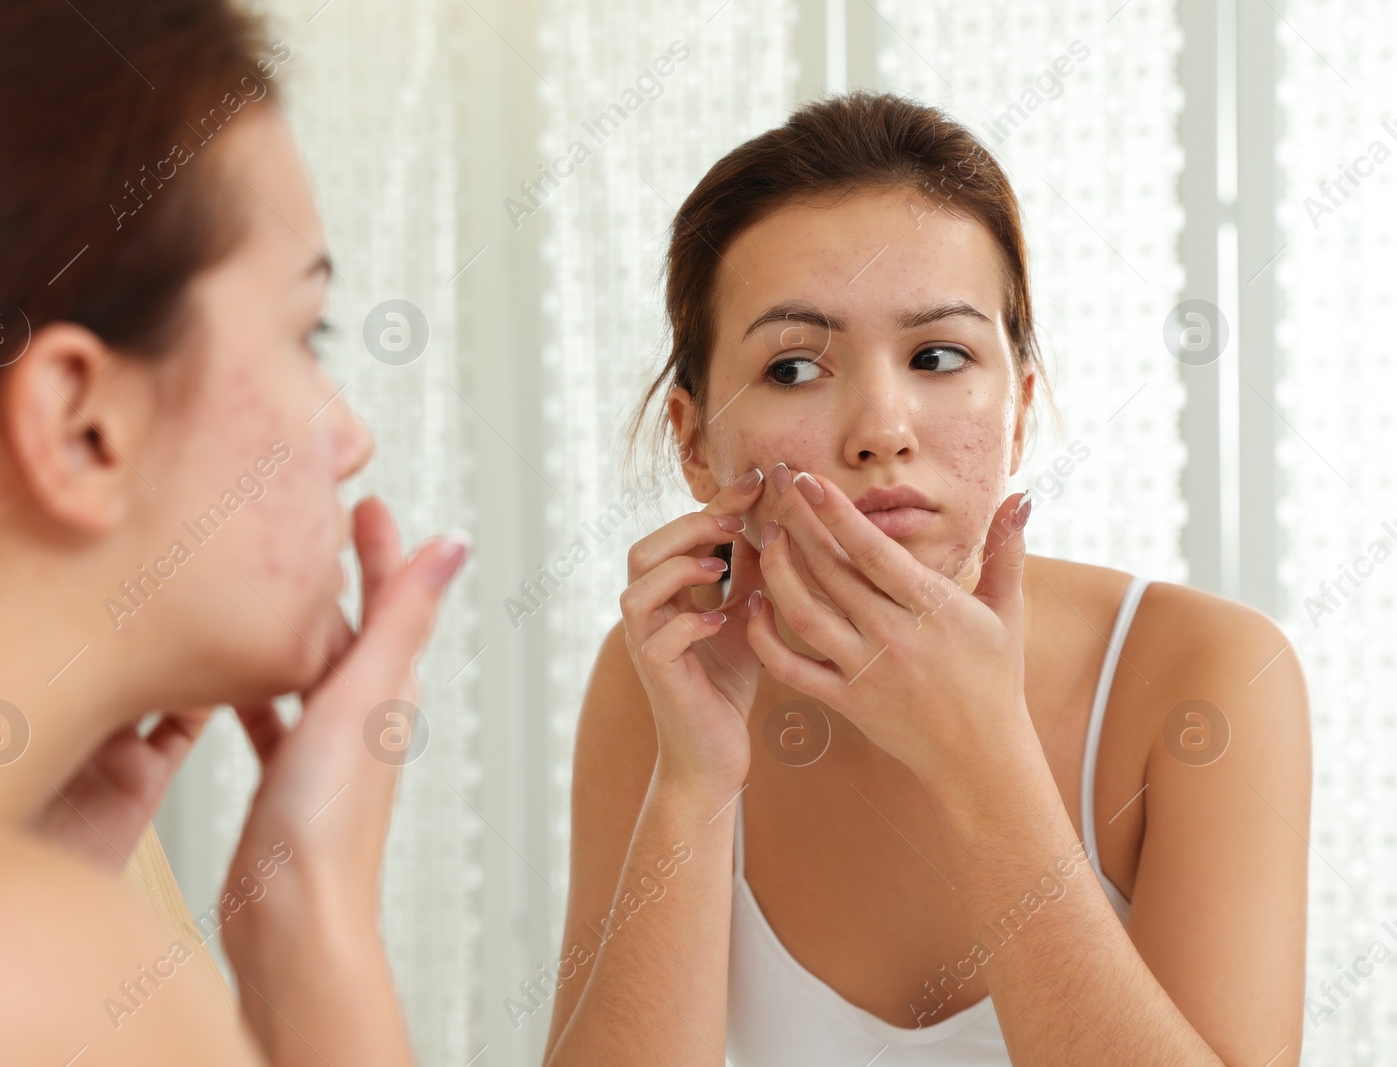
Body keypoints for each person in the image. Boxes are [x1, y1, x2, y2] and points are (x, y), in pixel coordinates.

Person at [545, 91, 1310, 1066]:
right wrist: (694, 785)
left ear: (1020, 408)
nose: (881, 428)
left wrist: (983, 758)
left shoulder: (1211, 673)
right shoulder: (664, 672)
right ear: (695, 442)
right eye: (792, 367)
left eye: (937, 354)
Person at [0, 1, 465, 1063]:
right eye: (308, 333)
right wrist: (314, 927)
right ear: (82, 425)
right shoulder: (13, 978)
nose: (350, 437)